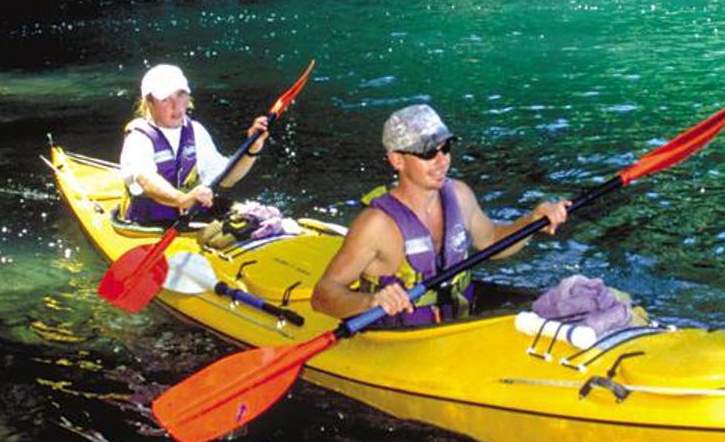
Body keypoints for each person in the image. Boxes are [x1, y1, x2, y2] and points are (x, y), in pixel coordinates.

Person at [311, 102, 569, 326]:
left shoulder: (459, 194)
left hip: (456, 323)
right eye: (428, 153)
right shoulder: (376, 224)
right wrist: (372, 300)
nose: (442, 160)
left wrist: (533, 221)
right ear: (397, 160)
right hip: (398, 335)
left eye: (445, 148)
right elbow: (323, 293)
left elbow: (491, 241)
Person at [119, 63, 270, 226]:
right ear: (149, 102)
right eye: (165, 99)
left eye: (180, 95)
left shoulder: (195, 131)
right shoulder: (138, 138)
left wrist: (252, 149)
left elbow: (226, 179)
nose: (176, 106)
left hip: (191, 219)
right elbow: (146, 179)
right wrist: (182, 200)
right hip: (148, 223)